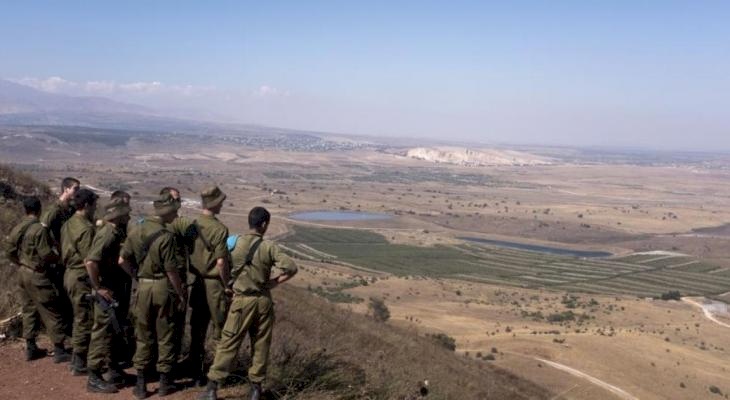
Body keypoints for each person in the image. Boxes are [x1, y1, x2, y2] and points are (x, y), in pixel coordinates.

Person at [200, 207, 298, 400]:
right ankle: (255, 389)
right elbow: (291, 268)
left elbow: (221, 264)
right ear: (263, 224)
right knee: (260, 345)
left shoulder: (234, 243)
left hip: (241, 300)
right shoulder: (268, 247)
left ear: (250, 222)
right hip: (262, 301)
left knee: (228, 343)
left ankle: (212, 387)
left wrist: (228, 284)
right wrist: (273, 283)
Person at [119, 192, 187, 399]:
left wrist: (137, 277)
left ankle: (140, 385)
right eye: (175, 212)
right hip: (162, 288)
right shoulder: (166, 236)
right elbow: (171, 271)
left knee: (143, 334)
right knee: (165, 334)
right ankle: (165, 384)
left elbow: (122, 260)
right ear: (167, 213)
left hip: (143, 288)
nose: (176, 215)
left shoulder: (136, 229)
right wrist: (180, 293)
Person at [4, 196, 71, 363]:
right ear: (39, 209)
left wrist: (20, 263)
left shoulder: (18, 227)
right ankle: (59, 349)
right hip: (37, 274)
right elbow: (46, 254)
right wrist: (58, 258)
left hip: (23, 272)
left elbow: (9, 251)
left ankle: (31, 346)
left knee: (29, 309)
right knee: (50, 308)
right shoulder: (38, 229)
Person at [85, 198, 133, 393]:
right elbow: (90, 262)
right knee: (102, 332)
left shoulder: (112, 231)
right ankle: (94, 376)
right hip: (107, 291)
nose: (129, 215)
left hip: (113, 288)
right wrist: (99, 287)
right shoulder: (109, 234)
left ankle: (112, 369)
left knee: (112, 331)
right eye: (126, 212)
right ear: (118, 215)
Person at [188, 186, 231, 385]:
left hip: (196, 282)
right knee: (221, 331)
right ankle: (217, 376)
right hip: (214, 285)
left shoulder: (192, 225)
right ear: (214, 204)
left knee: (197, 329)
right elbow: (221, 262)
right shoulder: (219, 229)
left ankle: (195, 371)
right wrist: (227, 284)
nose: (222, 204)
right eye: (220, 201)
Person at [61, 188, 98, 375]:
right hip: (80, 276)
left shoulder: (69, 223)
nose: (96, 208)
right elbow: (89, 259)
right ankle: (79, 360)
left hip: (70, 273)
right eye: (94, 205)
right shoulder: (85, 229)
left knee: (79, 316)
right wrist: (97, 285)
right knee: (84, 318)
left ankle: (78, 358)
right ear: (87, 205)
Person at [41, 177, 80, 337]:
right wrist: (53, 252)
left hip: (67, 258)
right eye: (75, 189)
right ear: (66, 189)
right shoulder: (54, 211)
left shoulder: (69, 210)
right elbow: (42, 232)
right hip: (57, 260)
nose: (77, 192)